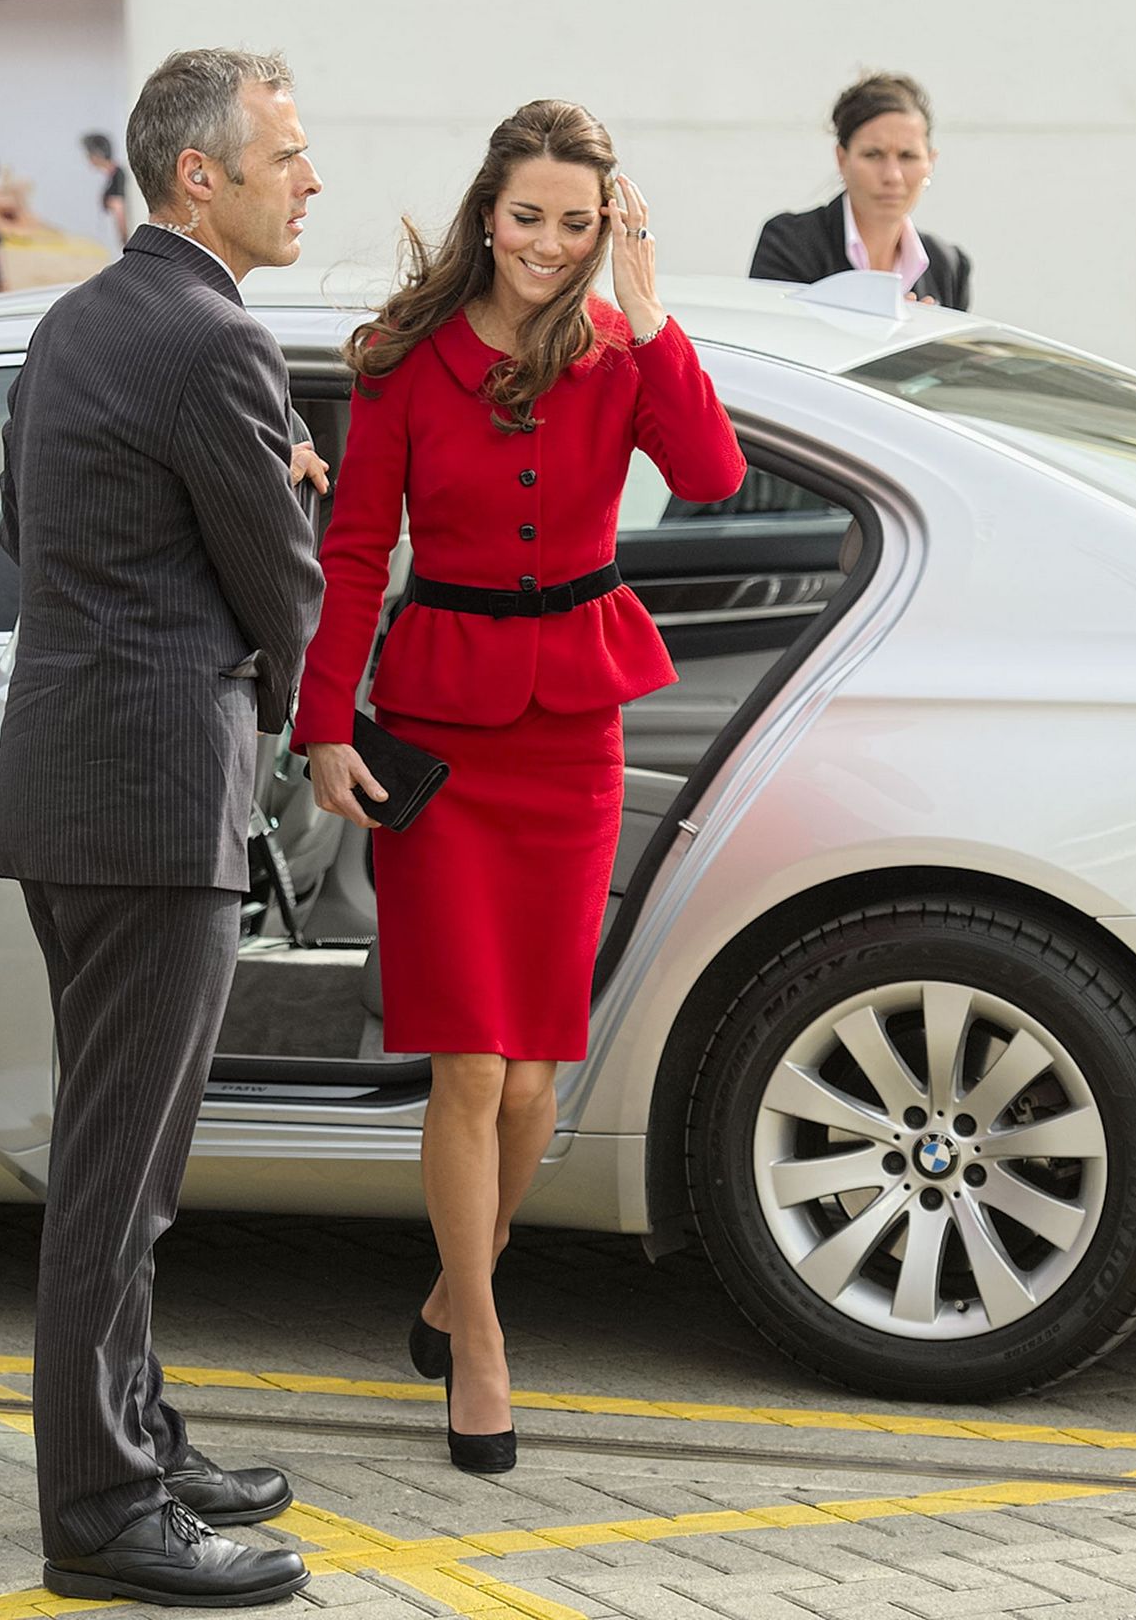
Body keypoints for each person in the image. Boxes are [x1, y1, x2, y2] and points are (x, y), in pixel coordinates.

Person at [293, 100, 745, 1474]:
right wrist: (325, 723)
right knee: (471, 1063)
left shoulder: (619, 352)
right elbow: (357, 551)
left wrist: (652, 315)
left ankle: (454, 1288)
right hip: (443, 732)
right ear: (488, 211)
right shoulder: (403, 356)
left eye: (576, 223)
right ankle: (482, 1346)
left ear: (607, 227)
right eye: (529, 216)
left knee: (539, 1074)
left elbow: (713, 474)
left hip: (571, 736)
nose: (549, 244)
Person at [0, 46, 324, 1607]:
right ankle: (103, 1515)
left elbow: (35, 527)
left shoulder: (74, 323)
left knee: (113, 1157)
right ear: (203, 173)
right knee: (120, 1180)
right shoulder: (215, 338)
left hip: (71, 788)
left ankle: (137, 1441)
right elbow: (282, 589)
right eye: (286, 155)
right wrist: (296, 491)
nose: (308, 179)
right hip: (154, 798)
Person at [749, 71, 971, 309]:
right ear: (842, 159)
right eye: (873, 155)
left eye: (908, 156)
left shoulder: (948, 266)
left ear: (930, 162)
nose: (892, 176)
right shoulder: (790, 243)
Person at [84, 131, 129, 244]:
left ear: (98, 154)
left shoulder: (117, 174)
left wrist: (125, 239)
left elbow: (118, 206)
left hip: (117, 240)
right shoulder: (108, 176)